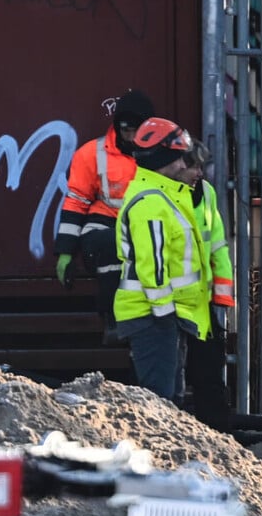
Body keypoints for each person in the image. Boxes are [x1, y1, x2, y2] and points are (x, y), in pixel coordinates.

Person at [114, 118, 211, 402]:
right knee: (160, 400)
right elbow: (152, 267)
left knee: (168, 398)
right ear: (163, 160)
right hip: (154, 316)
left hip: (161, 316)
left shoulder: (161, 197)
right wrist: (165, 314)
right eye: (178, 158)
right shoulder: (151, 203)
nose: (183, 165)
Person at [55, 89, 155, 342]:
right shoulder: (92, 153)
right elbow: (76, 201)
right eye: (126, 130)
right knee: (112, 245)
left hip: (146, 226)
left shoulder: (162, 155)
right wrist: (65, 252)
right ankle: (112, 317)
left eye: (137, 130)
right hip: (104, 224)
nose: (131, 137)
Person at [179, 139, 234, 430]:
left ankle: (217, 431)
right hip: (170, 302)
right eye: (194, 166)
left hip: (201, 302)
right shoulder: (163, 196)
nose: (199, 172)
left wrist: (222, 296)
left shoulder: (207, 193)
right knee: (173, 375)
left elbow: (218, 246)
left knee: (209, 369)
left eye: (202, 166)